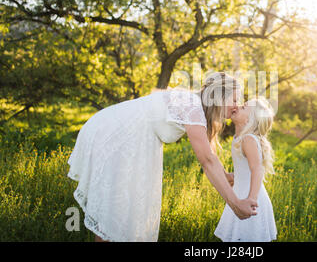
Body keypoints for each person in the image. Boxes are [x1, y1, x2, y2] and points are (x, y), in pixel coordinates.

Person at [67, 72, 257, 242]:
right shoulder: (192, 107)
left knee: (121, 209)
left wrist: (226, 176)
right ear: (219, 97)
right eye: (234, 99)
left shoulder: (194, 106)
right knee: (116, 208)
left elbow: (210, 155)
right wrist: (236, 204)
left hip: (130, 136)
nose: (236, 105)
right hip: (116, 134)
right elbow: (207, 161)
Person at [214, 97, 277, 242]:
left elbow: (257, 169)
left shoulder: (248, 139)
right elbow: (245, 170)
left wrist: (252, 199)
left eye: (243, 107)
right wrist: (230, 176)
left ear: (249, 121)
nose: (238, 106)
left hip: (250, 198)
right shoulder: (238, 138)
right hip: (240, 192)